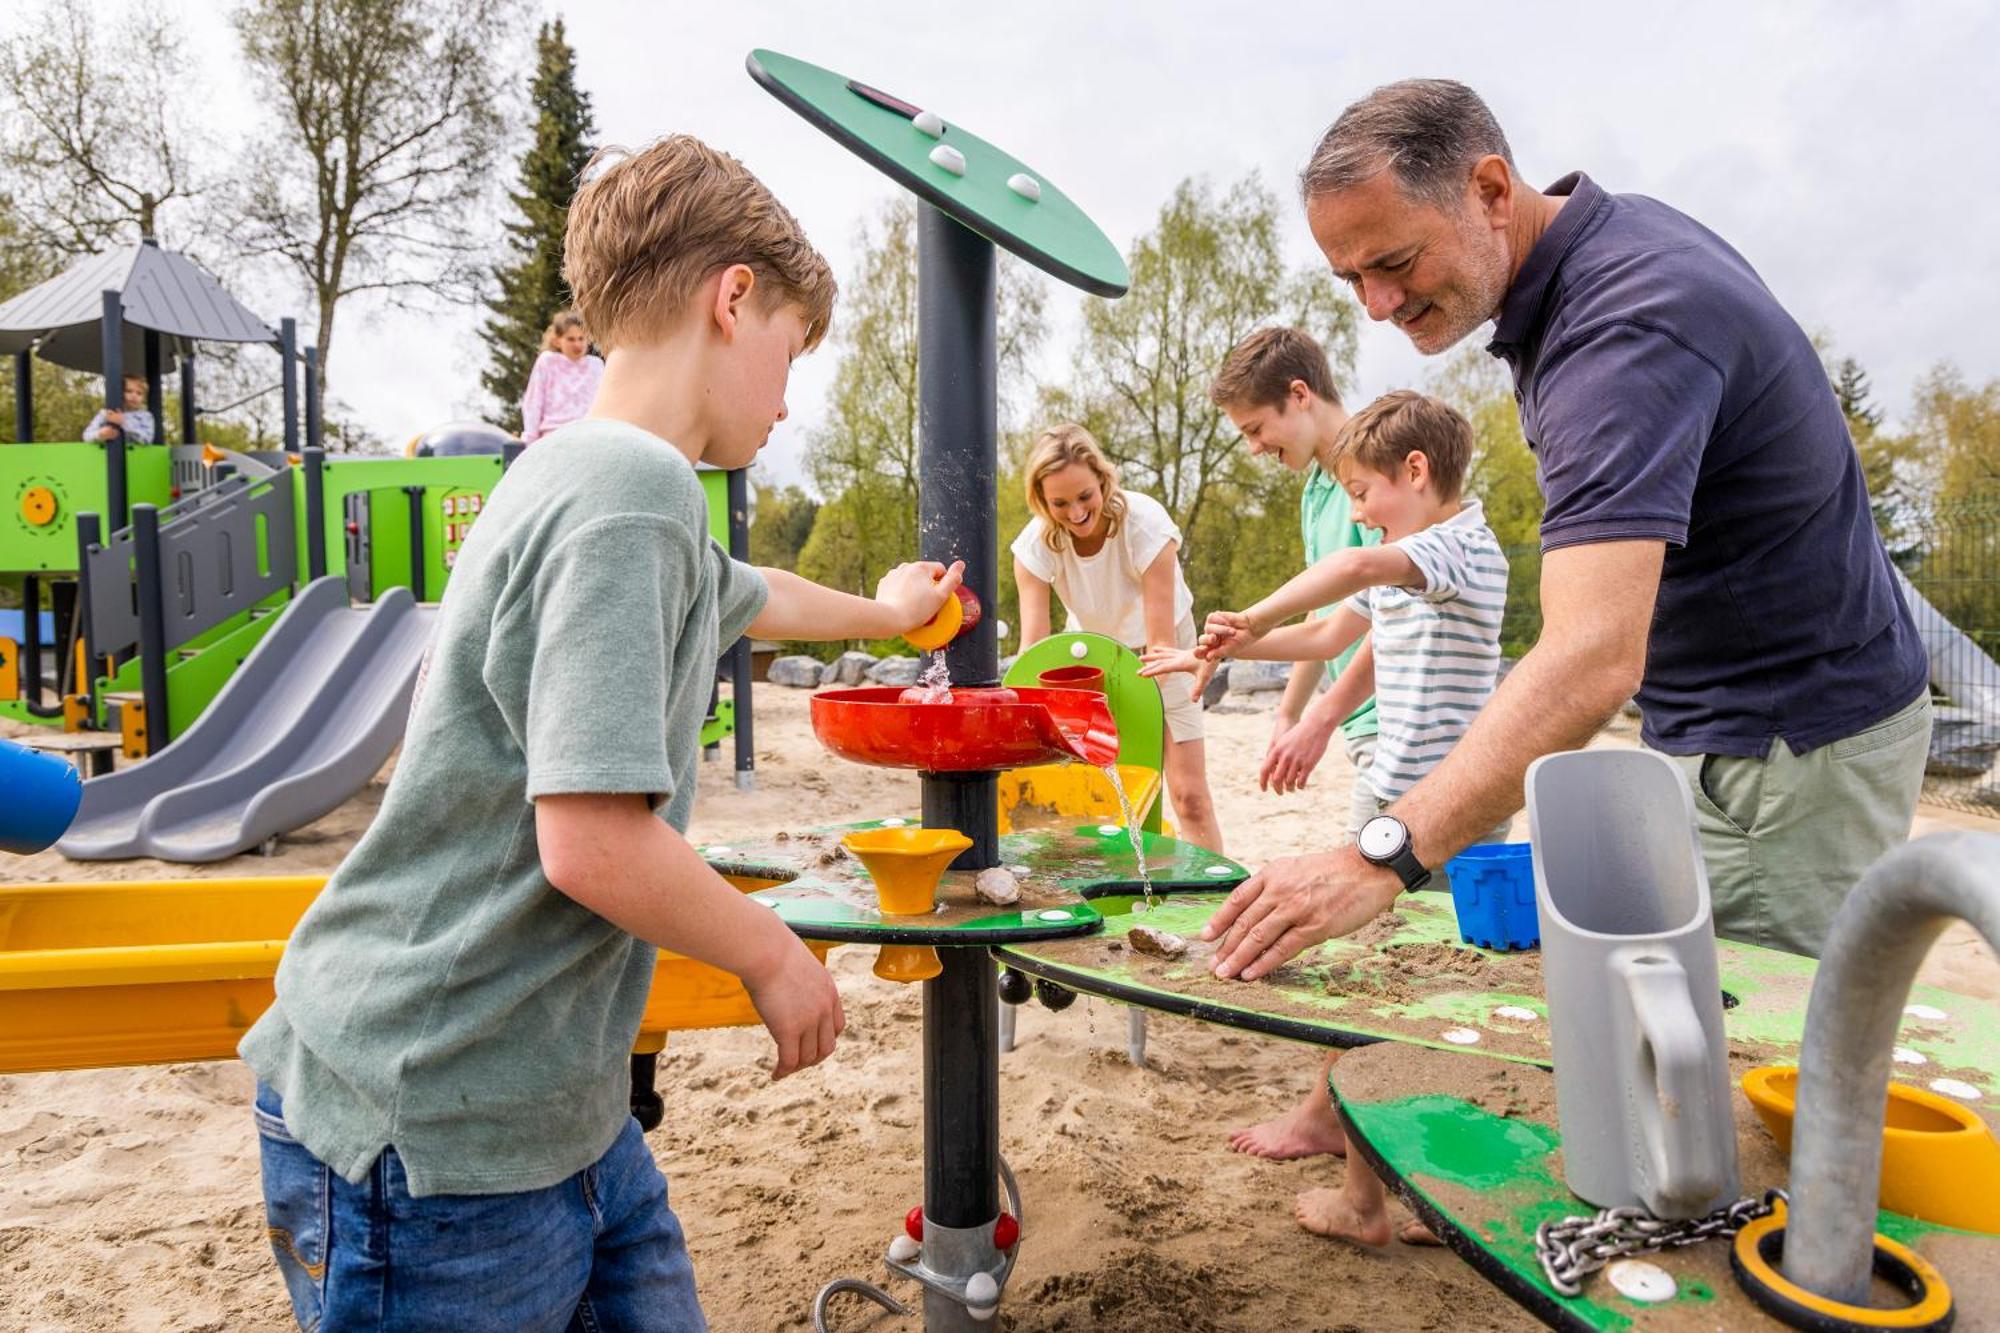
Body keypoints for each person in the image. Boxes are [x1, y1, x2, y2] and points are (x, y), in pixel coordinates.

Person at [239, 133, 961, 1331]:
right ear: (733, 298)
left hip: (558, 1115)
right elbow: (590, 841)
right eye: (790, 350)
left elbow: (752, 591)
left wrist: (889, 615)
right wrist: (771, 953)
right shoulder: (631, 490)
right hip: (436, 1131)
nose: (788, 398)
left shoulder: (580, 470)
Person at [1206, 79, 1931, 983]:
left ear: (1492, 192)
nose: (1376, 305)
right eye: (1349, 277)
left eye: (1393, 261)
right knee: (1647, 1004)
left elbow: (1591, 655)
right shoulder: (1592, 260)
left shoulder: (1620, 331)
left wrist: (1378, 857)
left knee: (1746, 1051)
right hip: (1714, 717)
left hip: (1788, 742)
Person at [1146, 389, 1507, 1246]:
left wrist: (1253, 610)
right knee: (1383, 989)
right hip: (1386, 797)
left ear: (1416, 473)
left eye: (1361, 491)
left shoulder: (1458, 545)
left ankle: (1369, 1201)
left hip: (1443, 816)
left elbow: (1345, 574)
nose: (1354, 512)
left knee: (1393, 995)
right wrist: (1225, 644)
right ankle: (1392, 1182)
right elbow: (1324, 635)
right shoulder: (1405, 555)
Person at [1208, 328, 1379, 1164]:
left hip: (1405, 725)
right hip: (1369, 728)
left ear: (1300, 396)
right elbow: (1325, 626)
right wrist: (1292, 710)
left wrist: (1321, 717)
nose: (1255, 446)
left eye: (1255, 427)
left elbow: (1383, 609)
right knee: (1391, 930)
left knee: (1383, 933)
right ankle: (1341, 1119)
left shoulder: (1376, 464)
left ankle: (1334, 1120)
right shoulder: (1315, 490)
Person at [1012, 423, 1224, 851]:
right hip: (1090, 656)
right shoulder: (1034, 545)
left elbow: (1160, 643)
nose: (1075, 513)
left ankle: (1211, 904)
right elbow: (1034, 651)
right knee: (1102, 800)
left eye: (1085, 496)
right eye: (1060, 503)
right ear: (1042, 500)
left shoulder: (1144, 524)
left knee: (1188, 796)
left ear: (1103, 480)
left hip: (1165, 653)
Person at [519, 309, 605, 443]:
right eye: (571, 339)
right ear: (557, 341)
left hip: (590, 437)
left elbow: (604, 402)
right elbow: (534, 402)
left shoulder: (596, 365)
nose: (577, 344)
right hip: (554, 436)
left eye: (581, 338)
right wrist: (529, 440)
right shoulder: (548, 362)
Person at [82, 375, 155, 445]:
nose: (134, 396)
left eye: (139, 393)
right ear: (118, 392)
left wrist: (123, 424)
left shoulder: (146, 416)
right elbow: (86, 436)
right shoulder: (105, 413)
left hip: (136, 456)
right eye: (128, 391)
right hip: (106, 455)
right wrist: (100, 434)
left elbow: (147, 439)